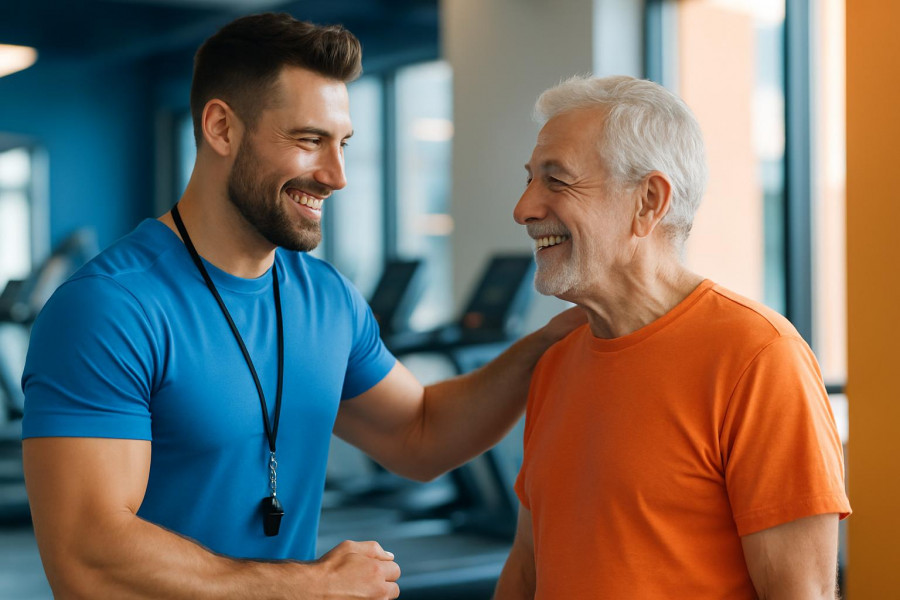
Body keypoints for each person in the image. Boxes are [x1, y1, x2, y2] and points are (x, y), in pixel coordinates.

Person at [20, 13, 583, 600]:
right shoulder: (109, 308)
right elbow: (88, 559)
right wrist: (309, 586)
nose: (336, 176)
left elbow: (419, 433)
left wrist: (543, 346)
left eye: (342, 144)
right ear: (221, 128)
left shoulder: (327, 297)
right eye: (309, 140)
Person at [493, 75, 851, 599]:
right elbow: (527, 573)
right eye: (529, 180)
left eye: (557, 181)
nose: (524, 208)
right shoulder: (558, 361)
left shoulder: (759, 357)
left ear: (648, 201)